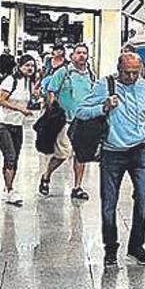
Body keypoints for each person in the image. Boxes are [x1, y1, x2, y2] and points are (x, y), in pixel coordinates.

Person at [75, 53, 145, 267]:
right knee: (109, 203)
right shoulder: (104, 86)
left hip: (139, 151)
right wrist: (103, 107)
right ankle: (110, 247)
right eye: (127, 73)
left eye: (136, 72)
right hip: (111, 152)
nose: (132, 77)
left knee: (144, 198)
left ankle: (136, 246)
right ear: (119, 69)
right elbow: (81, 111)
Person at [40, 43, 96, 200]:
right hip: (65, 120)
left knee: (81, 155)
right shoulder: (62, 72)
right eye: (78, 53)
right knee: (63, 154)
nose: (81, 56)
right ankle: (46, 175)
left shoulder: (90, 75)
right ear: (72, 56)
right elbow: (51, 91)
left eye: (84, 53)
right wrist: (53, 110)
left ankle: (77, 187)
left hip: (83, 120)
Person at [0, 55, 37, 206]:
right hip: (3, 123)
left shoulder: (28, 84)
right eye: (27, 65)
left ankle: (9, 190)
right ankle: (9, 189)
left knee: (15, 158)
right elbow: (0, 100)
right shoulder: (10, 80)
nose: (30, 69)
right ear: (19, 66)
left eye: (32, 66)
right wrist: (20, 108)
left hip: (17, 125)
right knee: (10, 156)